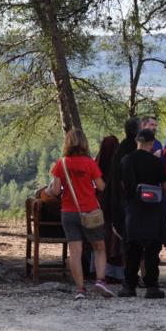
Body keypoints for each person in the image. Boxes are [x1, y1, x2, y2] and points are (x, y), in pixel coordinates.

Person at [49, 128, 112, 300]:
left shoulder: (61, 164)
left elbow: (55, 191)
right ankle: (100, 280)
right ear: (84, 142)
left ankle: (80, 289)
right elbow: (101, 187)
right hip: (90, 211)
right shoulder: (90, 163)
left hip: (69, 212)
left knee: (75, 252)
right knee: (99, 248)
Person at [119, 129, 166, 298]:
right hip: (153, 210)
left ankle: (129, 286)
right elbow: (165, 186)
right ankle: (152, 287)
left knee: (132, 248)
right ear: (151, 143)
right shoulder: (156, 162)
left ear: (137, 141)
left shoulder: (127, 160)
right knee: (152, 250)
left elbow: (124, 185)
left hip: (133, 209)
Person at [95, 135, 124, 283]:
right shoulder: (120, 162)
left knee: (100, 238)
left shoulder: (97, 162)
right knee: (115, 239)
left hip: (99, 205)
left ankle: (98, 270)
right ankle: (116, 273)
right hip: (115, 204)